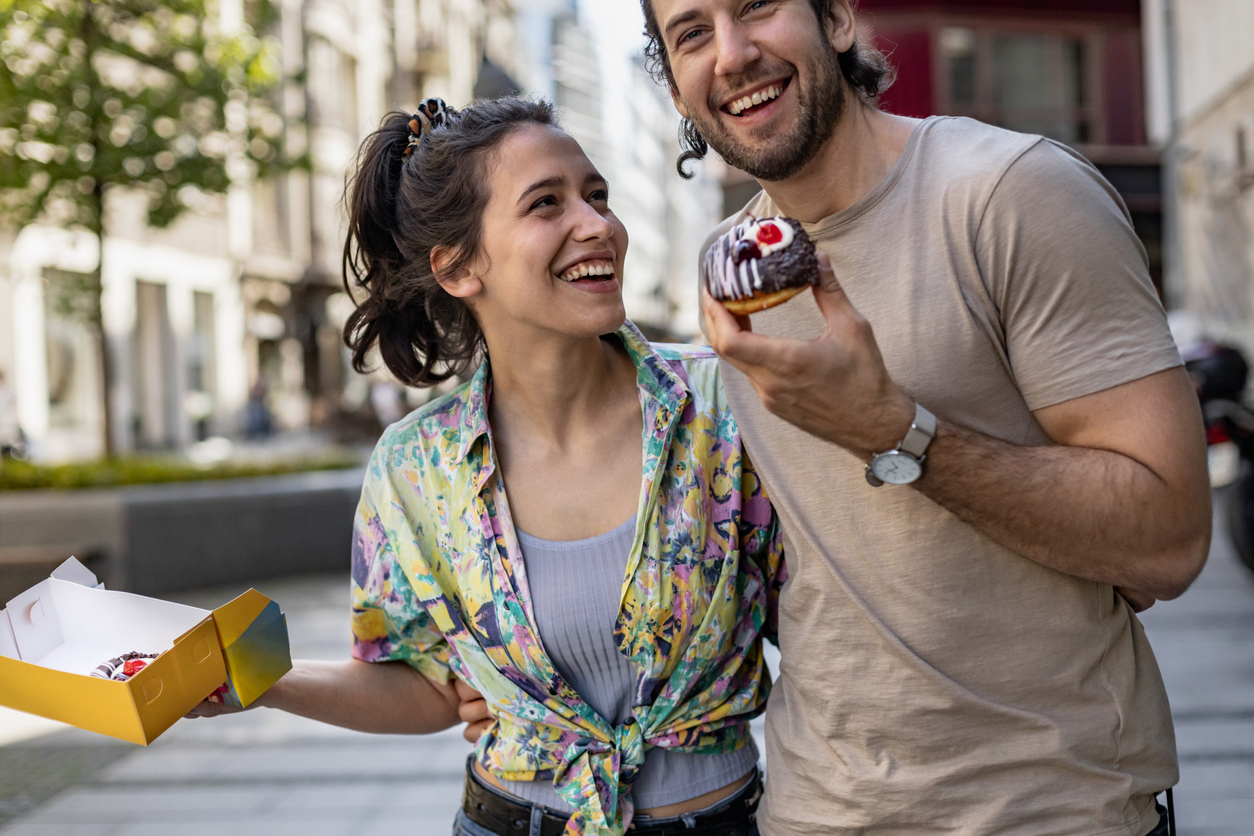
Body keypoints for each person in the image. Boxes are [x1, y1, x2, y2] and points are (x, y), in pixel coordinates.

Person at [630, 1, 1212, 834]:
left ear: (834, 18)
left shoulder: (1010, 193)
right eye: (692, 33)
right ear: (679, 93)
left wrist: (893, 430)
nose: (731, 53)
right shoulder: (731, 268)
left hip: (1052, 807)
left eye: (757, 6)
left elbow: (1169, 540)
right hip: (815, 809)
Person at [191, 96, 784, 836]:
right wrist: (256, 680)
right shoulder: (417, 467)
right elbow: (426, 687)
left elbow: (829, 626)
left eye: (597, 195)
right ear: (461, 266)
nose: (598, 225)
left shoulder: (724, 406)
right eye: (546, 204)